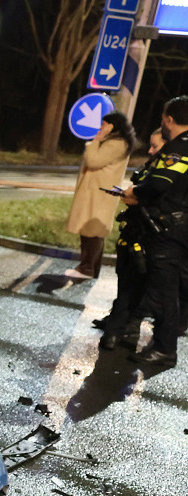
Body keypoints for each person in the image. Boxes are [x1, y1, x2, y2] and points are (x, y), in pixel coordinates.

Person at [121, 95, 188, 367]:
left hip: (169, 230)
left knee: (165, 291)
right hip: (182, 227)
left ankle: (164, 348)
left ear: (169, 119)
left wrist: (134, 192)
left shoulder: (179, 147)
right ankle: (170, 337)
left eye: (163, 118)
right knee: (178, 287)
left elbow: (159, 183)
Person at [98, 128, 163, 350]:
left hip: (148, 236)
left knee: (135, 285)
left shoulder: (168, 173)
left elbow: (153, 198)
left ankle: (121, 330)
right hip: (133, 231)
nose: (150, 150)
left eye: (155, 146)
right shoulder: (153, 167)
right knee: (126, 281)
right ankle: (119, 325)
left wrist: (135, 197)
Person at [64, 112, 136, 280]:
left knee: (92, 231)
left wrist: (96, 140)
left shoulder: (116, 144)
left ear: (112, 126)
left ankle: (86, 268)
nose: (100, 127)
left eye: (104, 124)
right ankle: (90, 268)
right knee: (92, 230)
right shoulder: (116, 143)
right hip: (96, 193)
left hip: (98, 194)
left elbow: (93, 161)